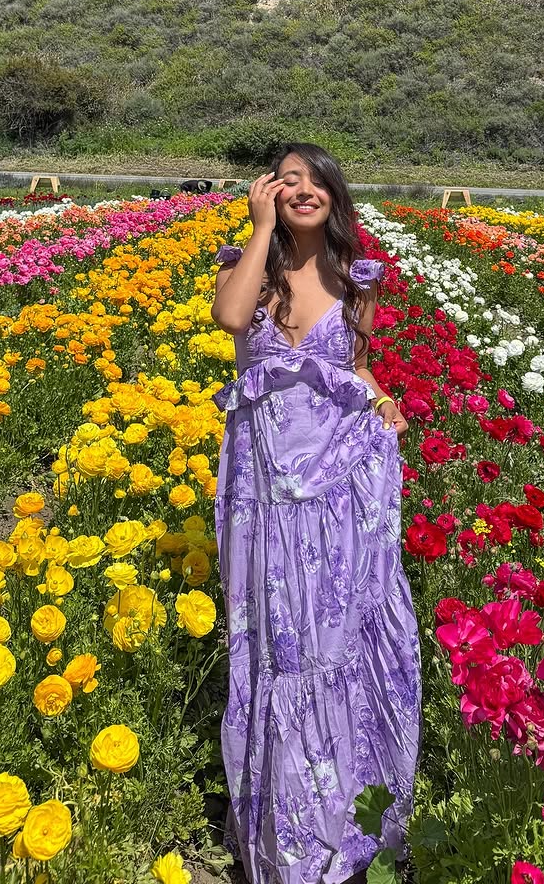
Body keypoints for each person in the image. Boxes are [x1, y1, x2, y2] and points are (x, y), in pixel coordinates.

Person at [210, 143, 422, 884]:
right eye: (287, 181)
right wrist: (260, 228)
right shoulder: (248, 266)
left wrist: (384, 399)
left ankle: (342, 812)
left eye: (315, 182)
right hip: (264, 483)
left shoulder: (355, 277)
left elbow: (354, 366)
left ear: (334, 195)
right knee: (278, 637)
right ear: (267, 191)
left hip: (336, 481)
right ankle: (286, 825)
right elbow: (231, 318)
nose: (302, 191)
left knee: (332, 629)